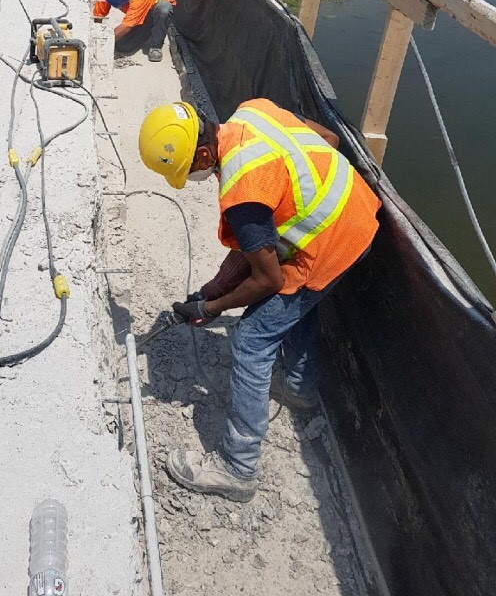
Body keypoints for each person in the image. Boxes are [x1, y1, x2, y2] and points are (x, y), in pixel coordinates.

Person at [137, 97, 381, 502]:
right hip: (355, 211)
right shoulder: (253, 111)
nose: (195, 176)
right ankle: (299, 389)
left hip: (334, 243)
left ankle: (238, 469)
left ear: (202, 153)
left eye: (190, 169)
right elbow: (331, 140)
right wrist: (215, 288)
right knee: (295, 305)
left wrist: (212, 308)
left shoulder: (242, 191)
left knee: (252, 337)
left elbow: (267, 278)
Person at [93, 0, 175, 63]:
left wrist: (104, 42)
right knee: (121, 46)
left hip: (154, 11)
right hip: (141, 10)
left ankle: (156, 46)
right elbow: (99, 12)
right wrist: (96, 35)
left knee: (164, 9)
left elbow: (126, 26)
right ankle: (145, 30)